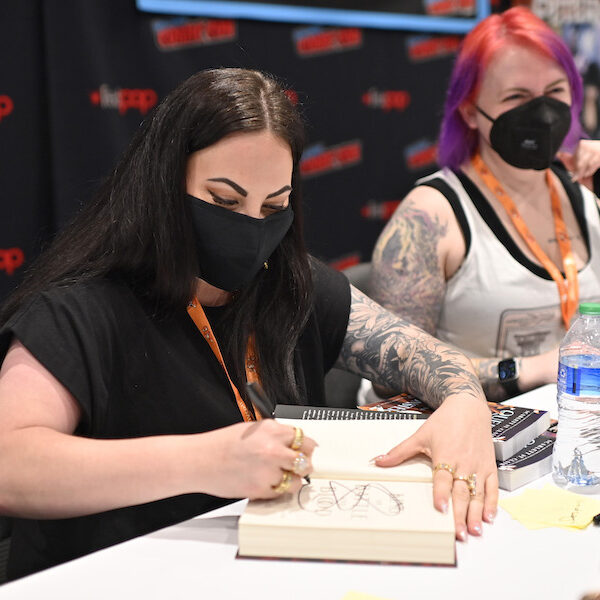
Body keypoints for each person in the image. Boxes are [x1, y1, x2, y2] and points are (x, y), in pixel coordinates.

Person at [0, 68, 496, 580]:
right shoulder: (79, 310)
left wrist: (464, 402)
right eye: (224, 202)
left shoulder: (290, 284)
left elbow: (424, 355)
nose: (251, 226)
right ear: (165, 184)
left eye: (274, 207)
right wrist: (203, 461)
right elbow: (9, 464)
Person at [369, 7, 600, 403]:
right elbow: (390, 375)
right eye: (517, 96)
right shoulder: (430, 216)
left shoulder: (584, 194)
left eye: (556, 92)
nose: (543, 113)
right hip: (465, 438)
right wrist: (530, 370)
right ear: (470, 111)